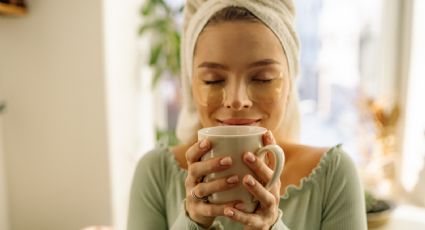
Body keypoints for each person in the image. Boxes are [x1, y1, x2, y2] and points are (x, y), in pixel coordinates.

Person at [128, 0, 367, 229]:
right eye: (214, 80)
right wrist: (193, 222)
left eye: (263, 78)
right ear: (191, 86)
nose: (236, 100)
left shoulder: (334, 175)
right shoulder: (156, 173)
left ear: (290, 86)